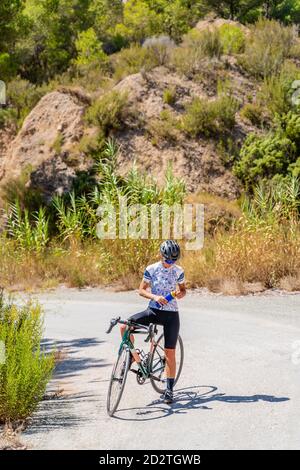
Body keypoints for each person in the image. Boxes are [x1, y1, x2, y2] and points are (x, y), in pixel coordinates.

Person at [120, 240, 186, 404]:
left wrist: (177, 294)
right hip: (153, 311)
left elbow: (183, 291)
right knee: (124, 327)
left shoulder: (179, 271)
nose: (171, 263)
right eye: (168, 260)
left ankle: (169, 390)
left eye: (174, 260)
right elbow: (141, 290)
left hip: (171, 314)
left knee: (169, 353)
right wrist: (155, 297)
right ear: (162, 256)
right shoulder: (152, 269)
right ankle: (133, 357)